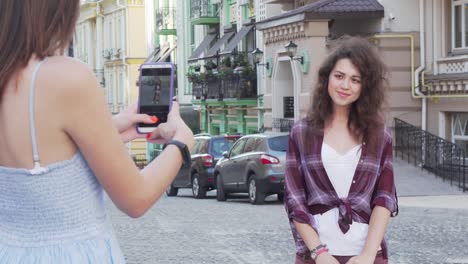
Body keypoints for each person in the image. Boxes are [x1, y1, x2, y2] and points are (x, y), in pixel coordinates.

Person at [0, 1, 194, 263]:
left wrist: (105, 131)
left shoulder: (9, 75)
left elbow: (36, 156)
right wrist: (182, 143)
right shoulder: (66, 77)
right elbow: (135, 198)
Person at [284, 36, 398, 264]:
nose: (345, 86)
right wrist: (320, 253)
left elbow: (384, 200)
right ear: (327, 79)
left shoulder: (379, 137)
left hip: (366, 257)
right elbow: (294, 199)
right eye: (339, 76)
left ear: (365, 87)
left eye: (355, 80)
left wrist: (367, 254)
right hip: (316, 257)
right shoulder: (301, 133)